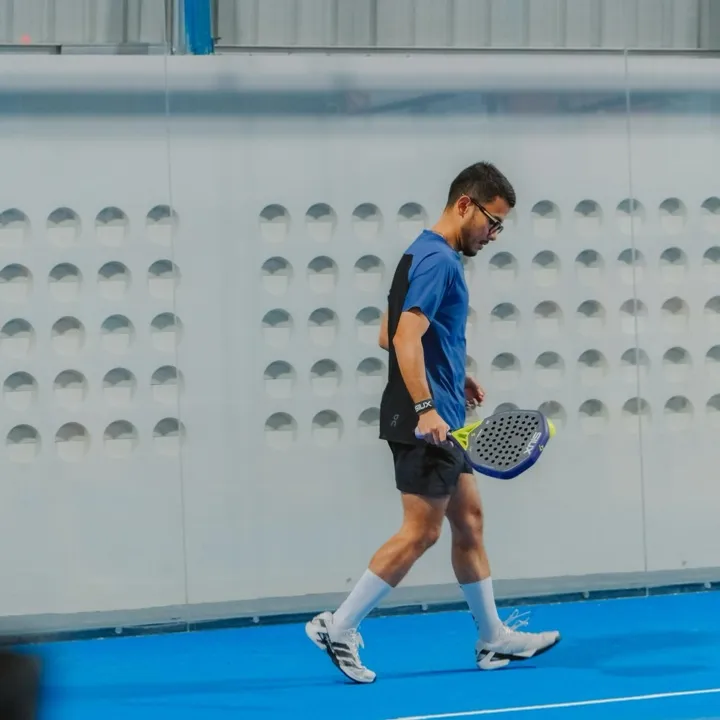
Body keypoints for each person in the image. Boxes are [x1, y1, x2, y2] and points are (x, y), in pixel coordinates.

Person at [305, 162, 561, 683]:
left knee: (470, 521)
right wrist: (426, 408)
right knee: (421, 532)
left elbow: (388, 332)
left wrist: (453, 375)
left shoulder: (419, 253)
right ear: (465, 205)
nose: (494, 234)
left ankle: (492, 638)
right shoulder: (440, 261)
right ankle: (339, 625)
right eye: (493, 221)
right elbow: (403, 338)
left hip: (439, 410)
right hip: (424, 421)